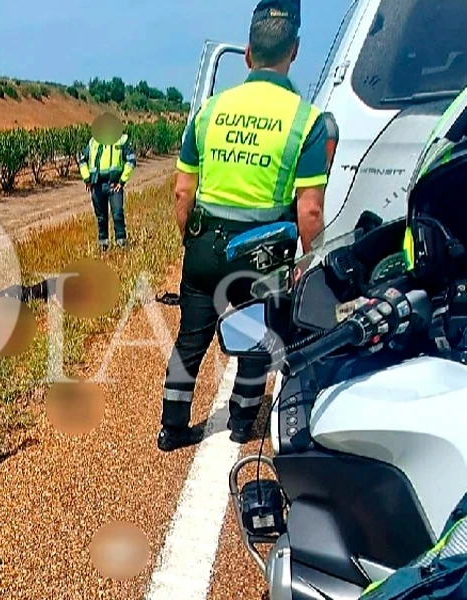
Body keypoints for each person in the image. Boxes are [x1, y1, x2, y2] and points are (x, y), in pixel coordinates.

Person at [158, 0, 331, 450]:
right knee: (256, 336)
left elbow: (182, 192)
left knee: (190, 340)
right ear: (294, 51)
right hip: (263, 252)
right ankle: (240, 421)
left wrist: (192, 241)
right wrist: (309, 262)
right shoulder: (307, 121)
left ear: (248, 54)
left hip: (205, 244)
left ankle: (172, 428)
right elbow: (310, 211)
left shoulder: (210, 111)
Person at [80, 113, 137, 251]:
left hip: (114, 185)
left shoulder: (121, 140)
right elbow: (83, 161)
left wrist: (122, 181)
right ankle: (103, 245)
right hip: (97, 185)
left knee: (117, 214)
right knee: (101, 217)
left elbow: (131, 160)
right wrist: (87, 179)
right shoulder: (93, 142)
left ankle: (121, 243)